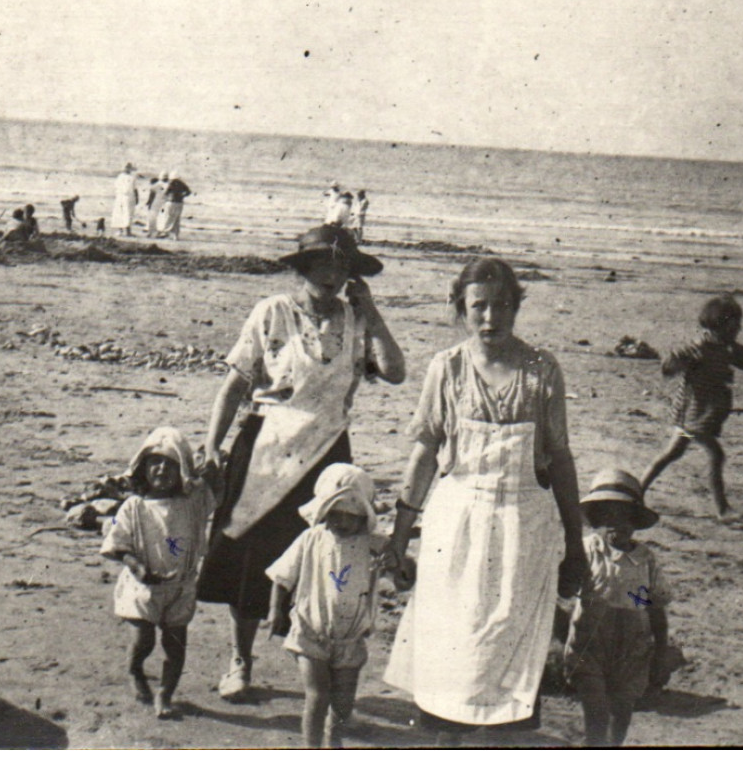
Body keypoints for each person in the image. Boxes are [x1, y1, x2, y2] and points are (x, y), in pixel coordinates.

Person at [198, 224, 406, 703]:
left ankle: (321, 667)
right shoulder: (272, 312)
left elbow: (394, 372)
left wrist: (371, 313)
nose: (330, 275)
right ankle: (240, 660)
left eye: (341, 267)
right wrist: (213, 444)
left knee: (328, 556)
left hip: (328, 451)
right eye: (320, 265)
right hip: (267, 447)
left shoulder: (356, 322)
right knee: (253, 555)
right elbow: (234, 385)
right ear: (303, 268)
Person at [383, 257, 588, 740]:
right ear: (460, 309)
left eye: (502, 306)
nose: (491, 317)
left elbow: (559, 459)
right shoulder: (446, 369)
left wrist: (575, 543)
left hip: (524, 531)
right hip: (454, 529)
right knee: (449, 657)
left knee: (508, 658)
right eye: (479, 306)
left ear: (517, 307)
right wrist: (398, 538)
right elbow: (426, 452)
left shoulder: (542, 371)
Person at [266, 463, 402, 748]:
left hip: (351, 638)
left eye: (349, 515)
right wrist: (275, 611)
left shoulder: (372, 545)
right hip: (310, 632)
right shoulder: (311, 539)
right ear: (322, 512)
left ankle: (334, 741)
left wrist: (397, 561)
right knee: (318, 695)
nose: (341, 521)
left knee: (342, 703)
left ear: (363, 515)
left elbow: (403, 576)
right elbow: (281, 577)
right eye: (334, 514)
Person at [100, 426, 218, 720]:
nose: (162, 469)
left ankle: (165, 694)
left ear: (183, 471)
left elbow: (216, 486)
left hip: (181, 586)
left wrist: (214, 459)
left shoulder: (193, 503)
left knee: (175, 645)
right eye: (155, 462)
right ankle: (135, 669)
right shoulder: (134, 507)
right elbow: (118, 546)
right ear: (142, 467)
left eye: (171, 463)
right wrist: (136, 566)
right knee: (144, 640)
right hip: (143, 585)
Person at [638, 295, 743, 518]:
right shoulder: (698, 348)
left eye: (738, 326)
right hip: (694, 412)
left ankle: (636, 493)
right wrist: (676, 362)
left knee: (671, 454)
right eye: (733, 327)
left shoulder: (728, 347)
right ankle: (722, 509)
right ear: (717, 326)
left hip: (705, 412)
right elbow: (668, 369)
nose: (737, 331)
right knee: (715, 455)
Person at [564, 469, 673, 748]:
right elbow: (565, 588)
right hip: (590, 642)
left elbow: (650, 607)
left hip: (631, 647)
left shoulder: (643, 561)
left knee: (622, 709)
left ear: (635, 522)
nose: (618, 525)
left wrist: (661, 651)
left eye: (625, 517)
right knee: (596, 708)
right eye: (609, 516)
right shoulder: (588, 551)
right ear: (599, 519)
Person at [156, 174, 192, 240]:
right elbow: (189, 192)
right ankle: (175, 235)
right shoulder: (182, 183)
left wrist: (165, 198)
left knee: (168, 217)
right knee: (176, 219)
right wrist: (182, 195)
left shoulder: (171, 183)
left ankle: (165, 232)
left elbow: (165, 192)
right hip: (180, 202)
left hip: (171, 202)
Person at [112, 163, 140, 237]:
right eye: (127, 168)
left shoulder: (131, 177)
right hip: (122, 196)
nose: (127, 169)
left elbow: (135, 189)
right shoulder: (121, 177)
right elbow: (116, 188)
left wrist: (137, 198)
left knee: (127, 213)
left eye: (128, 168)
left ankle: (126, 231)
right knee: (122, 212)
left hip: (127, 197)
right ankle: (121, 231)